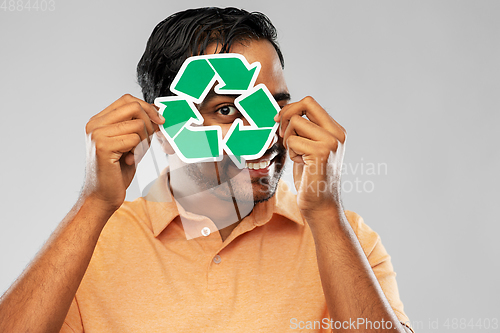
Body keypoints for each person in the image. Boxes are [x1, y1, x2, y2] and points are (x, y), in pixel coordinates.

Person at [0, 7, 413, 333]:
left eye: (275, 105)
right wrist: (93, 204)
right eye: (228, 109)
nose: (264, 133)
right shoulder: (93, 246)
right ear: (164, 125)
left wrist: (326, 215)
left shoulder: (348, 239)